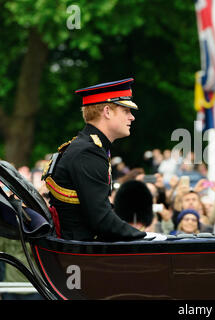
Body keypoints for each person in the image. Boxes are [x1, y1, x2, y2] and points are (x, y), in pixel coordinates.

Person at [43, 78, 152, 241]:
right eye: (126, 111)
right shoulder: (88, 152)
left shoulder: (88, 147)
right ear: (107, 112)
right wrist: (145, 237)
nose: (132, 117)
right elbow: (101, 220)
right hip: (81, 252)